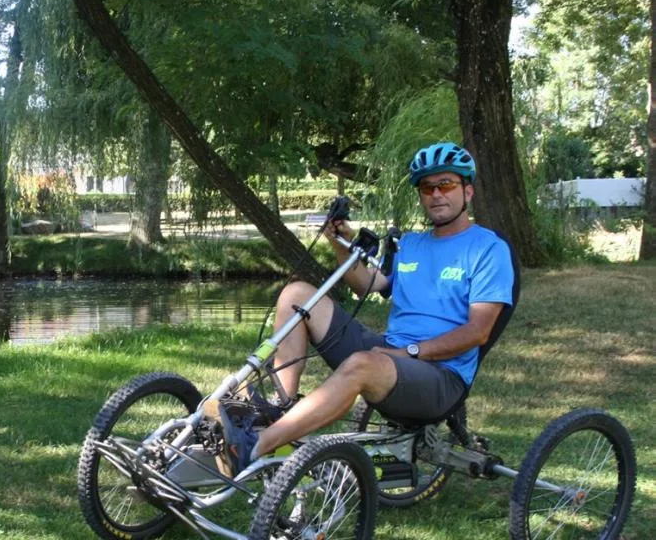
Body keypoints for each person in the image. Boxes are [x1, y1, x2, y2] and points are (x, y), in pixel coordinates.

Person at [208, 141, 517, 477]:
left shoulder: (488, 249)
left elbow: (478, 331)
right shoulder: (410, 244)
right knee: (297, 293)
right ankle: (279, 412)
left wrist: (411, 353)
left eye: (446, 185)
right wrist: (340, 245)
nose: (436, 194)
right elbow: (368, 285)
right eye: (427, 188)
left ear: (467, 192)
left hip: (442, 377)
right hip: (391, 354)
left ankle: (255, 446)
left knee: (362, 364)